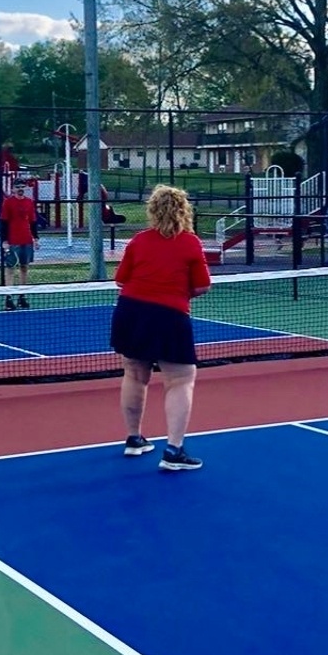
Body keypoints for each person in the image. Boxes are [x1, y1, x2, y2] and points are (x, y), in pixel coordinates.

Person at [110, 185, 212, 472]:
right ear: (184, 210)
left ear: (152, 210)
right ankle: (173, 451)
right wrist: (178, 294)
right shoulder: (190, 242)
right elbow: (203, 286)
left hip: (130, 311)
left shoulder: (138, 241)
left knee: (134, 373)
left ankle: (134, 439)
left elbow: (121, 281)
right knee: (180, 380)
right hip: (169, 316)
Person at [0, 179, 40, 310]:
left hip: (26, 240)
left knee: (24, 268)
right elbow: (4, 223)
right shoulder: (8, 202)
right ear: (13, 189)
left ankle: (22, 296)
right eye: (18, 187)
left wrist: (36, 239)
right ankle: (8, 298)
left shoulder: (29, 202)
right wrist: (5, 241)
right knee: (10, 269)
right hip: (12, 241)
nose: (20, 189)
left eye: (23, 187)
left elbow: (33, 222)